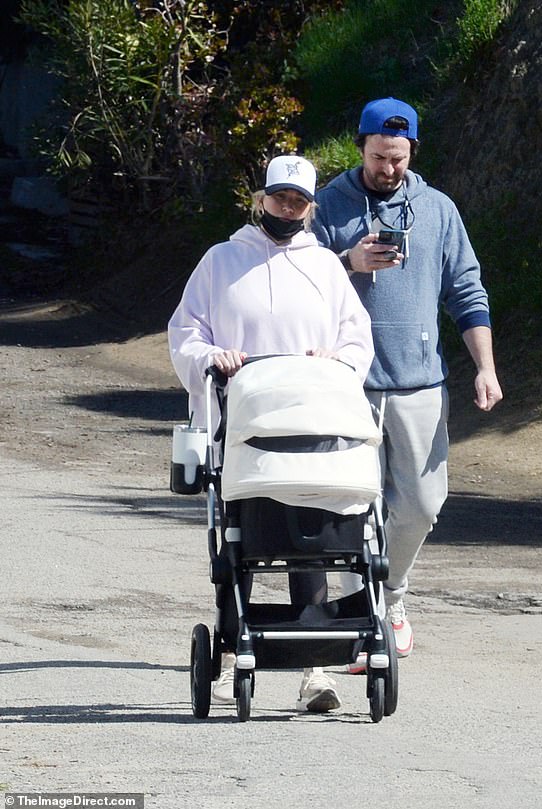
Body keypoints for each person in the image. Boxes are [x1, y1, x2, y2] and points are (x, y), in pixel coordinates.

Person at [168, 155, 374, 712]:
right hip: (244, 426)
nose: (287, 209)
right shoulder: (221, 261)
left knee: (312, 539)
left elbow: (358, 337)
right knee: (245, 537)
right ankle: (235, 647)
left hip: (312, 424)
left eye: (298, 201)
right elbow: (185, 331)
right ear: (261, 200)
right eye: (278, 198)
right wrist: (215, 356)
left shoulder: (326, 268)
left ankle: (316, 668)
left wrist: (336, 360)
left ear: (310, 209)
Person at [311, 97, 503, 664]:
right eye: (377, 158)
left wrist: (486, 368)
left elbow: (466, 291)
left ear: (412, 150)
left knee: (421, 504)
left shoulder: (439, 209)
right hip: (347, 383)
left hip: (420, 383)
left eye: (397, 159)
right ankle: (357, 613)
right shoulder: (325, 206)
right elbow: (297, 280)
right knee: (349, 504)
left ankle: (390, 592)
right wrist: (348, 261)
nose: (388, 169)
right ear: (360, 147)